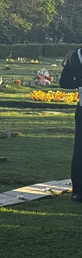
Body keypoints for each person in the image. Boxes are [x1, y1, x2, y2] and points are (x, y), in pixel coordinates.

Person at [59, 47, 82, 202]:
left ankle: (78, 192)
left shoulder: (75, 56)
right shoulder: (75, 56)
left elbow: (65, 82)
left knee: (79, 151)